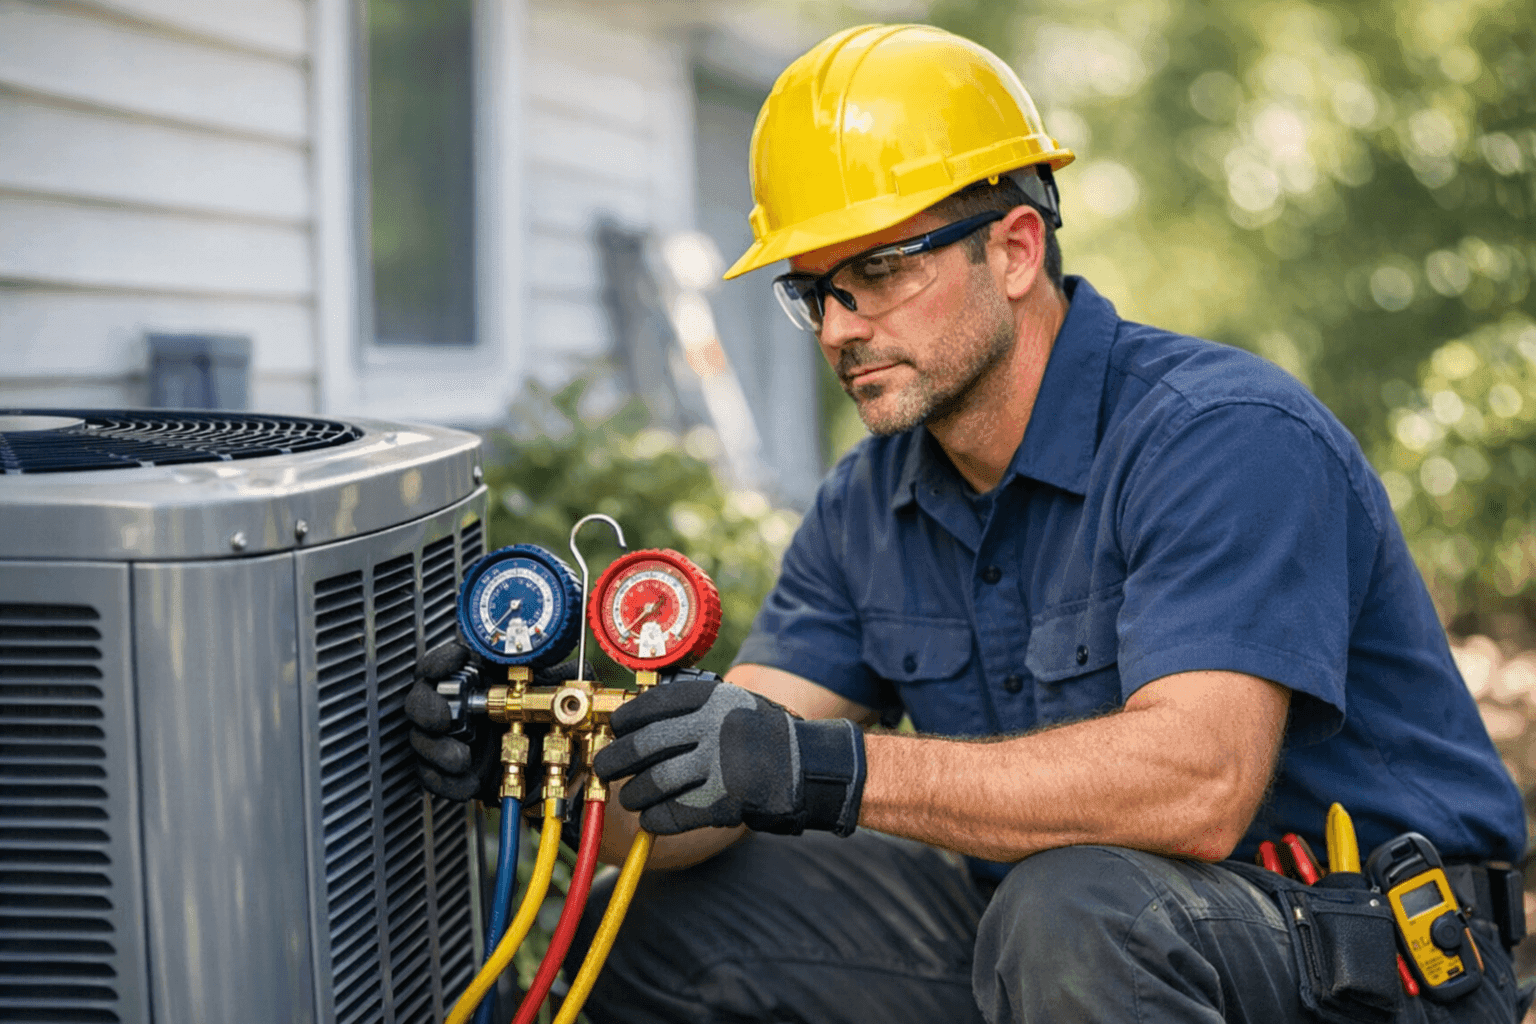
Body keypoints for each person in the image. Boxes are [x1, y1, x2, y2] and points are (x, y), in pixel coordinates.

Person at [410, 23, 1528, 1024]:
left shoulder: (1221, 436)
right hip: (1051, 955)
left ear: (1015, 248)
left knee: (1077, 910)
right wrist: (547, 768)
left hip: (1364, 963)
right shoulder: (870, 501)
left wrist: (829, 770)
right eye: (815, 289)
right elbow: (728, 774)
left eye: (881, 269)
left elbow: (1196, 786)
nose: (840, 326)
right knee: (668, 915)